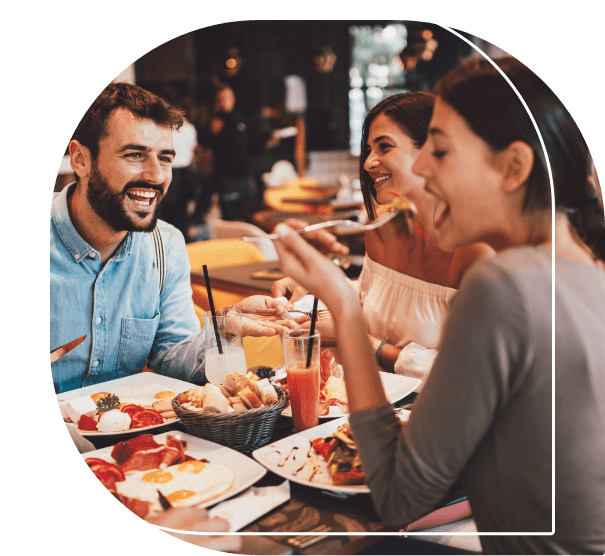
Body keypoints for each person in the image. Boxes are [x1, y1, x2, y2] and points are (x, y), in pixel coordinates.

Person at [273, 55, 605, 554]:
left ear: (514, 167)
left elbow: (398, 496)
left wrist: (342, 301)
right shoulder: (584, 265)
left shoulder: (503, 282)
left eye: (441, 151)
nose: (422, 168)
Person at [50, 83, 297, 393]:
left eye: (165, 158)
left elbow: (170, 357)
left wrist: (228, 325)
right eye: (135, 154)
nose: (156, 176)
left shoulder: (165, 246)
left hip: (130, 431)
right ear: (81, 160)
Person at [273, 92, 492, 386]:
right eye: (369, 150)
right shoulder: (381, 228)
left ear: (431, 151)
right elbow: (370, 297)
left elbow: (473, 377)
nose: (368, 163)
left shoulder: (477, 252)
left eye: (384, 147)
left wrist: (371, 346)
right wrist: (314, 287)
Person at [199, 84, 256, 221]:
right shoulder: (214, 121)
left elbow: (250, 145)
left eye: (227, 98)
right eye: (221, 99)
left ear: (233, 99)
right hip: (226, 178)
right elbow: (203, 144)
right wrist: (212, 133)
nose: (224, 102)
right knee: (230, 217)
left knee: (250, 215)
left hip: (245, 175)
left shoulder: (241, 119)